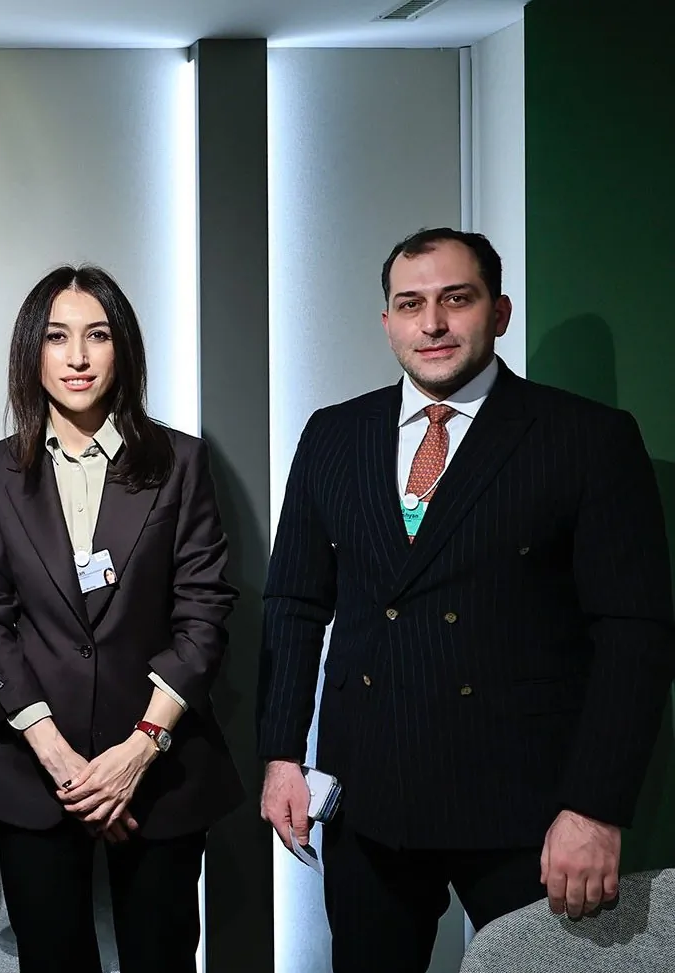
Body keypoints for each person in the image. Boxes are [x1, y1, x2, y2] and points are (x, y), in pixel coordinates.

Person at [257, 228, 675, 972]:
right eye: (410, 304)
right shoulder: (333, 434)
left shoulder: (588, 438)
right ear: (387, 322)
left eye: (456, 299)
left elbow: (634, 636)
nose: (433, 323)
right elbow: (293, 602)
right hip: (367, 798)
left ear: (499, 311)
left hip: (530, 808)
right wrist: (282, 754)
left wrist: (596, 807)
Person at [0, 265, 244, 973]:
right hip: (37, 770)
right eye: (57, 337)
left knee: (161, 958)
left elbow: (204, 610)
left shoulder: (180, 461)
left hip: (160, 768)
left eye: (98, 335)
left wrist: (140, 749)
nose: (78, 357)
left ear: (125, 350)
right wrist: (60, 758)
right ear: (32, 351)